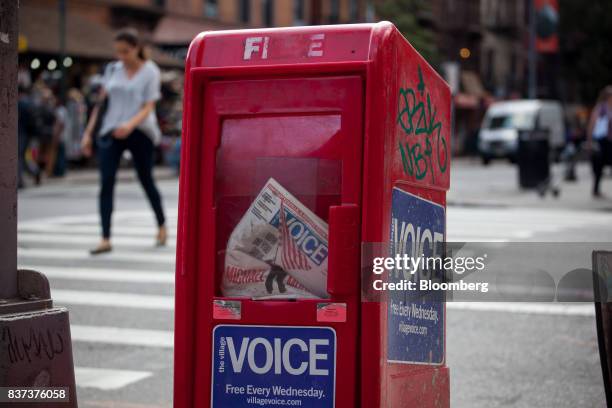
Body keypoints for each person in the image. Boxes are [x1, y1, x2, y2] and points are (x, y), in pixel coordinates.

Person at [81, 28, 167, 254]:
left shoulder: (150, 71)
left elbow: (150, 105)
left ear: (137, 48)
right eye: (118, 52)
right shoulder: (112, 69)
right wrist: (88, 133)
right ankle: (105, 238)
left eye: (126, 51)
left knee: (145, 178)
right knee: (106, 181)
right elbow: (100, 104)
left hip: (140, 131)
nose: (121, 56)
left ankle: (161, 225)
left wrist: (130, 124)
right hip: (112, 130)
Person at [587, 86, 612, 198]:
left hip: (609, 141)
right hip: (601, 140)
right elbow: (592, 124)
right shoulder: (601, 108)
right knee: (599, 166)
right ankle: (596, 189)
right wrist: (590, 141)